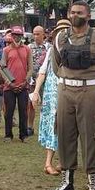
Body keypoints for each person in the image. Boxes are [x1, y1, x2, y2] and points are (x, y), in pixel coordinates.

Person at [49, 1, 95, 190]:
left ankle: (93, 184)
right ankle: (67, 181)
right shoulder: (60, 37)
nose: (75, 15)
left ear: (88, 16)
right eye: (72, 12)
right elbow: (55, 64)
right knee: (64, 134)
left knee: (90, 136)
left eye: (79, 12)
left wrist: (93, 85)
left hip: (89, 90)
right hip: (65, 89)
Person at [30, 19, 70, 176]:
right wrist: (36, 92)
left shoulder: (74, 49)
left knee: (67, 125)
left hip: (68, 90)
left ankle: (62, 160)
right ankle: (48, 162)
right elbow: (42, 71)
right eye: (60, 31)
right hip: (53, 92)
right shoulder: (52, 50)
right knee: (53, 125)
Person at [1, 26, 32, 142]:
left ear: (21, 36)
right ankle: (8, 135)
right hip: (9, 86)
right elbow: (2, 68)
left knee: (23, 111)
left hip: (23, 85)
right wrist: (9, 83)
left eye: (18, 35)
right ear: (11, 35)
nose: (16, 37)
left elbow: (30, 68)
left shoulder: (27, 49)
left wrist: (25, 81)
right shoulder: (6, 50)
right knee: (8, 111)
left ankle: (23, 135)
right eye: (14, 35)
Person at [27, 25, 48, 138]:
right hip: (32, 80)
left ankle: (45, 126)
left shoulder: (49, 47)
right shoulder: (29, 47)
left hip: (45, 80)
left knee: (46, 104)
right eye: (34, 34)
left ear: (43, 34)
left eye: (38, 34)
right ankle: (30, 126)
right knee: (31, 103)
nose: (35, 36)